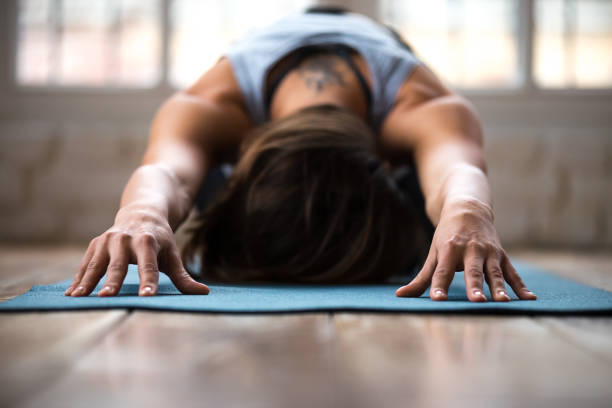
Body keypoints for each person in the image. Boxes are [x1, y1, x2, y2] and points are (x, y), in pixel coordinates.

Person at [65, 7, 537, 302]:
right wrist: (143, 213)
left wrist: (468, 212)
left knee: (438, 200)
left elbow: (456, 169)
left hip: (376, 87)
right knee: (185, 188)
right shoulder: (212, 107)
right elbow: (166, 171)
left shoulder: (421, 107)